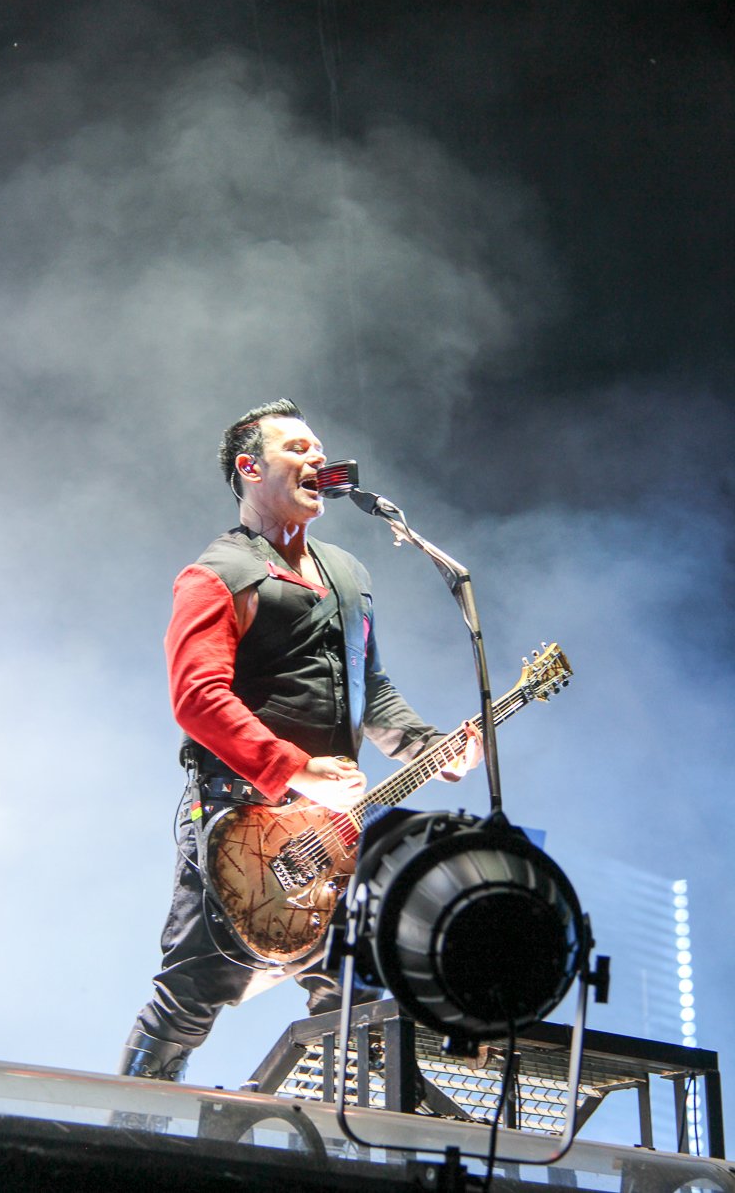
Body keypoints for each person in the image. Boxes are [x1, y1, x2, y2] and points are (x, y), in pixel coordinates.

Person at [118, 399, 482, 1082]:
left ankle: (356, 1147)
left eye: (321, 449)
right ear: (250, 468)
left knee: (355, 991)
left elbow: (369, 689)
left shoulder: (348, 575)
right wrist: (296, 770)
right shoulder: (219, 573)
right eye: (298, 448)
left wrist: (428, 745)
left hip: (332, 832)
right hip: (241, 824)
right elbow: (198, 699)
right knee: (192, 993)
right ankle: (125, 1134)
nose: (319, 458)